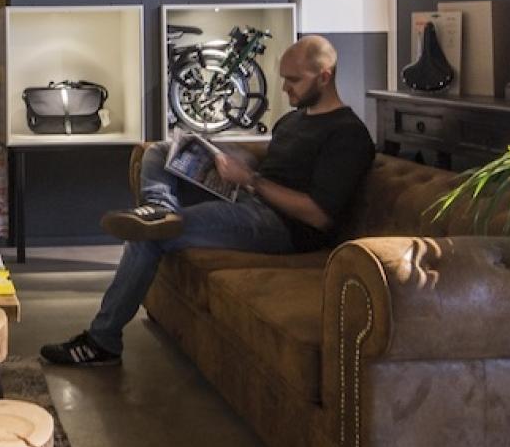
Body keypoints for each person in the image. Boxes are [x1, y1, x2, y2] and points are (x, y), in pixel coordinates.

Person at [40, 35, 376, 367]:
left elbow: (319, 215)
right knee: (160, 151)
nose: (285, 88)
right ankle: (160, 209)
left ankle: (103, 342)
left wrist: (252, 181)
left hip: (283, 228)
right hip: (248, 198)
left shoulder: (347, 134)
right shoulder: (293, 121)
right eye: (283, 78)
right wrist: (224, 155)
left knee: (149, 237)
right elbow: (276, 168)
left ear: (325, 76)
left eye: (294, 80)